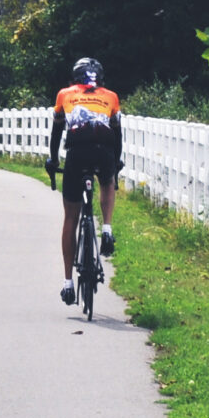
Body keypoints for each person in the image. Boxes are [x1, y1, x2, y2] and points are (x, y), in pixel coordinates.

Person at [45, 56, 122, 305]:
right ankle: (107, 228)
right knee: (107, 180)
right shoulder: (111, 96)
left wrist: (53, 159)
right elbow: (117, 134)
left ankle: (68, 283)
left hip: (77, 152)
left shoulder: (65, 94)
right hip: (103, 149)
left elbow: (57, 130)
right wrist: (116, 164)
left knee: (71, 217)